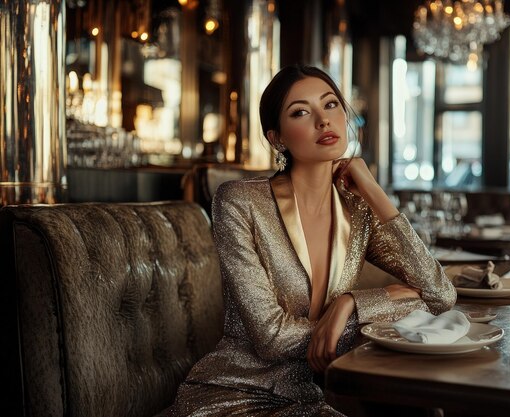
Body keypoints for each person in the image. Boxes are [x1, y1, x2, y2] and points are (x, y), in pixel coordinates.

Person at [167, 64, 456, 416]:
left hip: (313, 397)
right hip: (234, 394)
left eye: (331, 104)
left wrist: (348, 301)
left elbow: (439, 295)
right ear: (277, 138)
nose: (323, 120)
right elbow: (272, 337)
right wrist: (363, 311)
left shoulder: (359, 210)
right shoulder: (239, 201)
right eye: (301, 112)